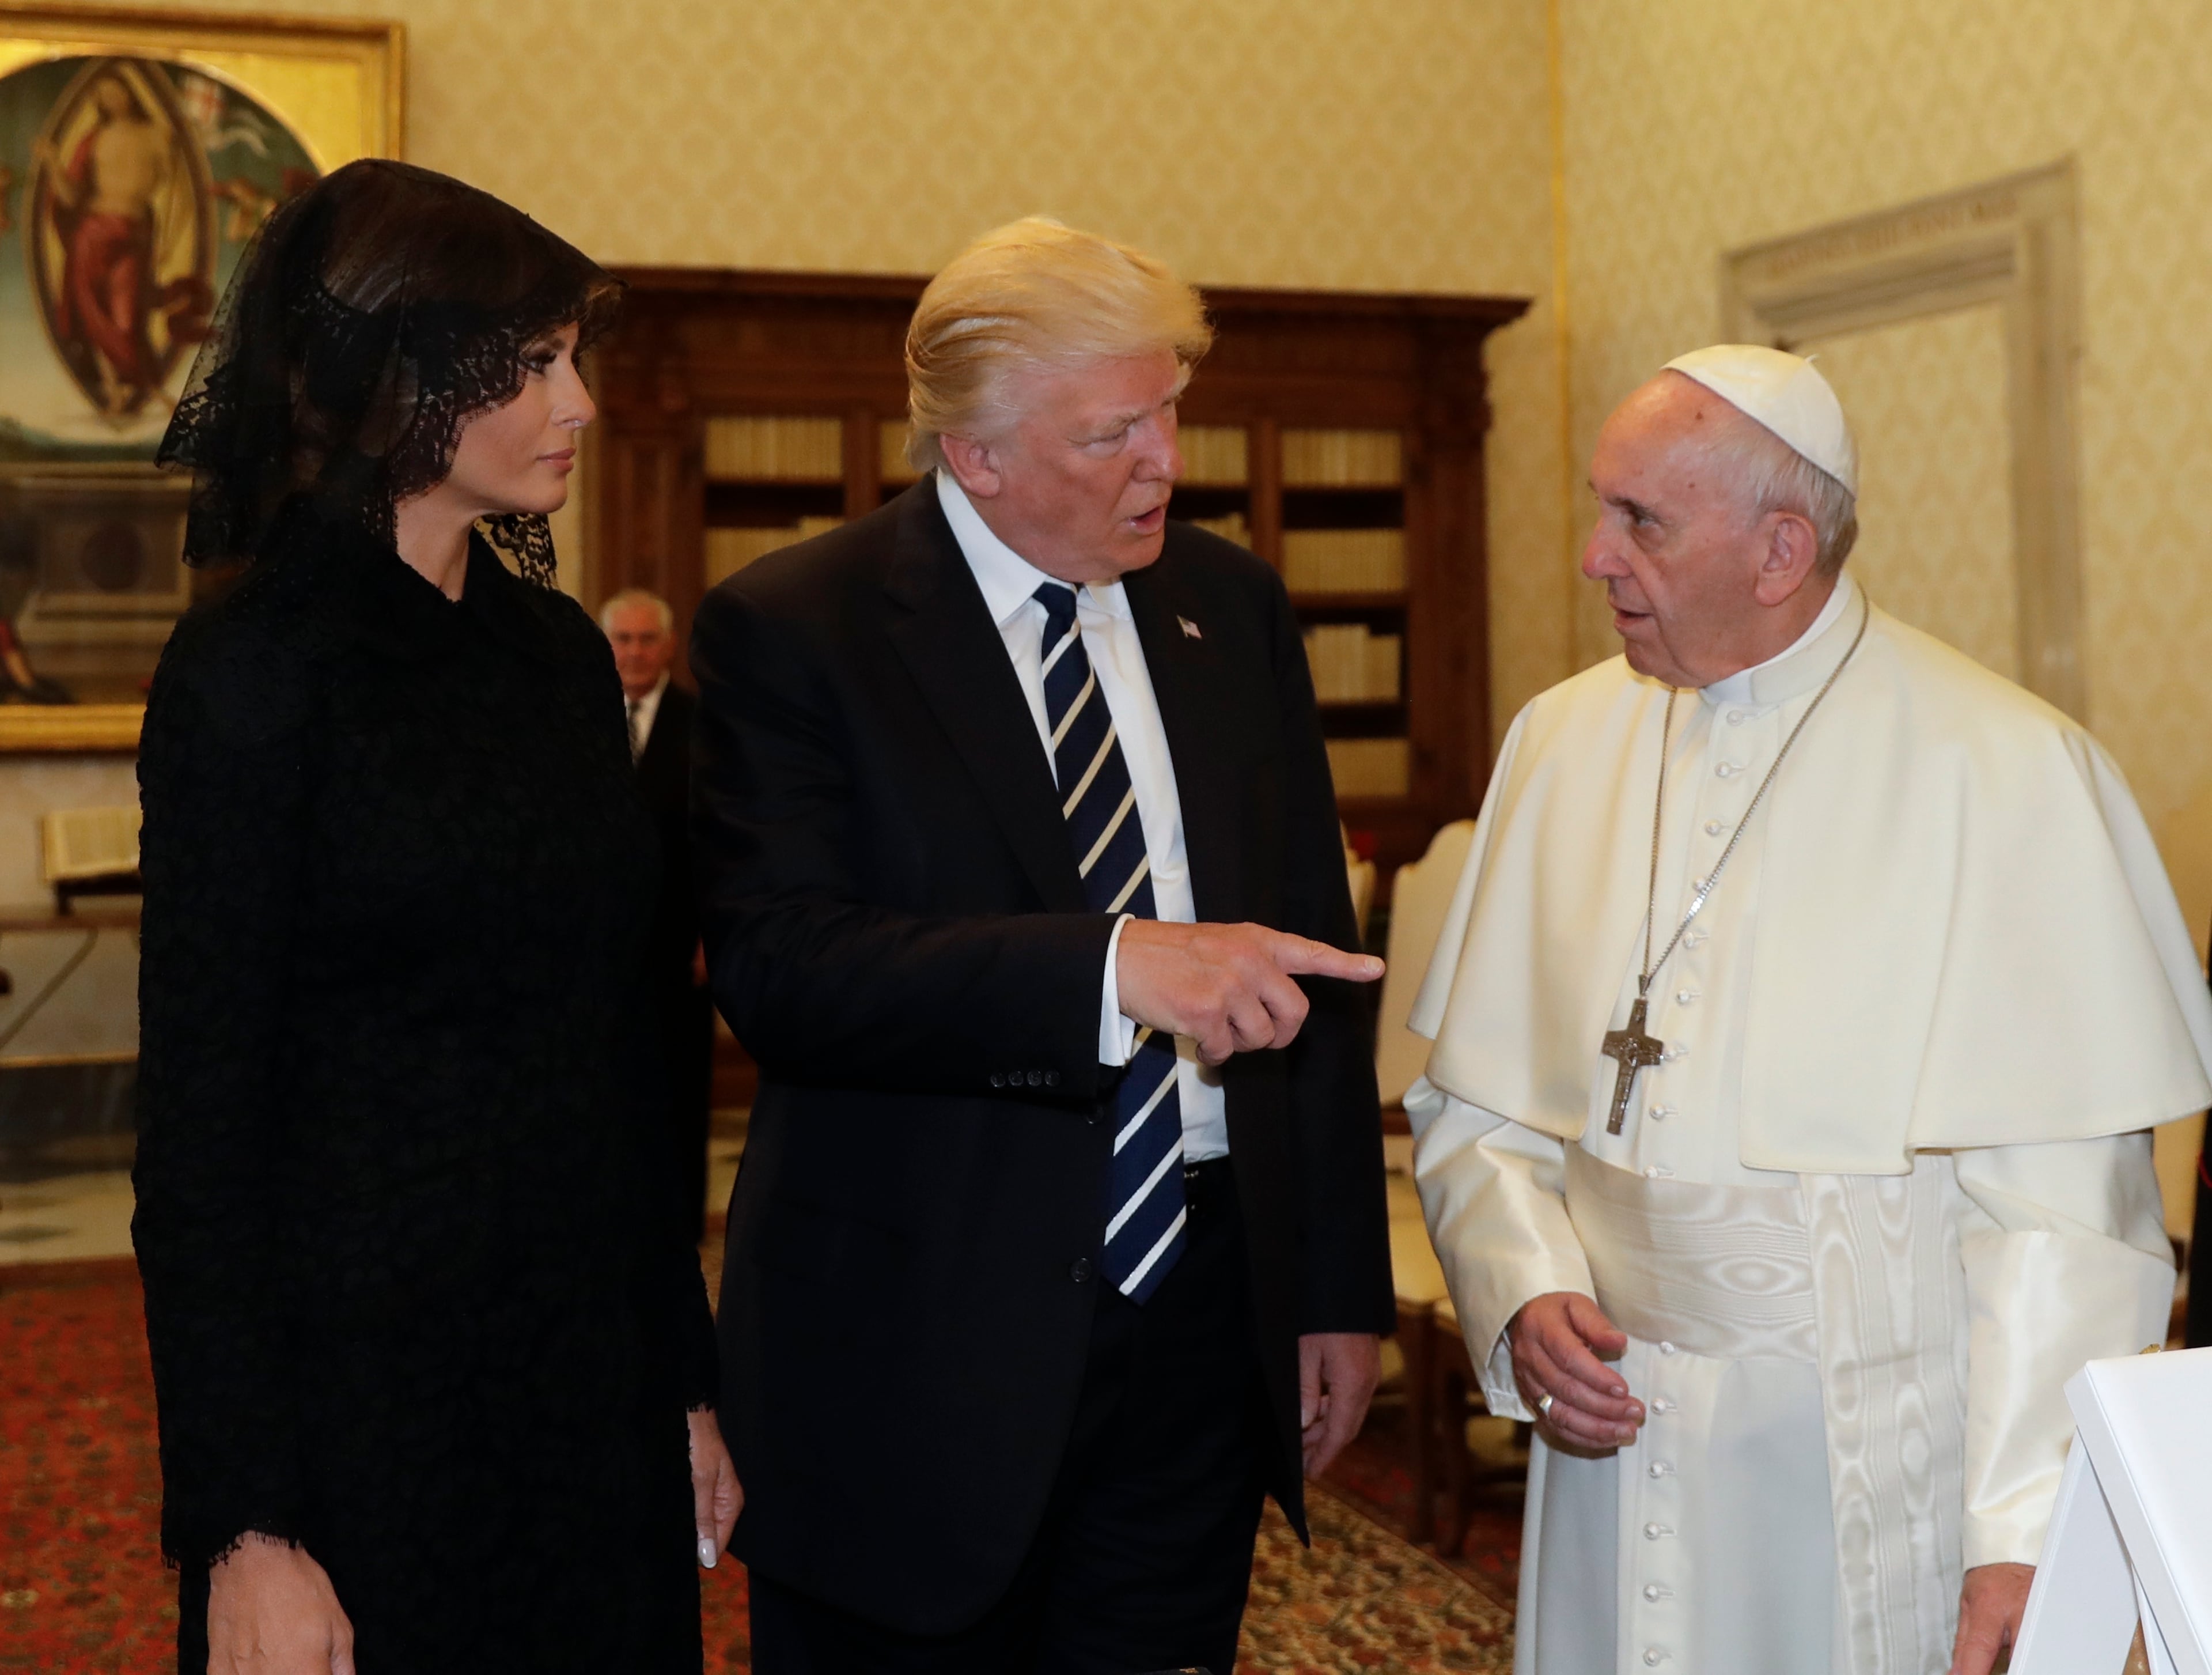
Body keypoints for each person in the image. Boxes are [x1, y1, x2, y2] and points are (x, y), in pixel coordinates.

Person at [1404, 345, 2212, 1675]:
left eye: (1639, 522)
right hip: (1611, 1439)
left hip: (1872, 1466)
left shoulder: (2000, 770)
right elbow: (1476, 1108)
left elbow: (2063, 1224)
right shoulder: (1556, 743)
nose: (1593, 557)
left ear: (1779, 550)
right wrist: (1522, 1290)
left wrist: (2020, 1527)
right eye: (1601, 509)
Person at [691, 217, 1393, 1674]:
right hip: (914, 1343)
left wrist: (1332, 1292)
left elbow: (1310, 964)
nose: (1166, 460)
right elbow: (785, 970)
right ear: (977, 454)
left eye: (1169, 412)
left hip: (1194, 1322)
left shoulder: (1229, 605)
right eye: (1113, 432)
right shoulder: (798, 629)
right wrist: (1111, 968)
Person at [133, 159, 738, 1675]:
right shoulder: (254, 678)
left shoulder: (555, 659)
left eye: (572, 357)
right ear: (394, 374)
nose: (581, 401)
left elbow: (622, 1054)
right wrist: (245, 1527)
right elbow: (201, 1138)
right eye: (532, 364)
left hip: (587, 1385)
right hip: (359, 1414)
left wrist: (683, 1382)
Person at [601, 585, 715, 1245]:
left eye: (648, 639)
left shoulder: (704, 723)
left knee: (679, 1088)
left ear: (669, 647)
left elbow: (724, 839)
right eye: (624, 639)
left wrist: (714, 934)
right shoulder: (577, 720)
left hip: (682, 944)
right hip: (605, 946)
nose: (636, 652)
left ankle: (679, 1227)